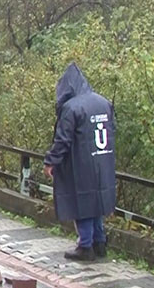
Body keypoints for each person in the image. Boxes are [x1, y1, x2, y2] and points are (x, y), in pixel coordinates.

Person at [44, 63, 116, 261]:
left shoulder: (71, 108)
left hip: (81, 163)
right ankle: (99, 242)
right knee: (97, 201)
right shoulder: (103, 102)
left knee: (82, 201)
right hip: (103, 160)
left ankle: (85, 246)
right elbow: (113, 130)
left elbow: (63, 139)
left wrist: (51, 162)